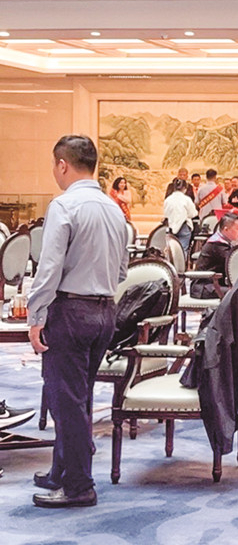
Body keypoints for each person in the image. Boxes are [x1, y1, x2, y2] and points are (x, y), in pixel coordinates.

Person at [27, 135, 128, 510]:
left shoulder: (64, 205)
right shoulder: (114, 210)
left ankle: (79, 485)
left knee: (65, 400)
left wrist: (36, 315)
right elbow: (121, 271)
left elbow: (49, 268)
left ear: (62, 164)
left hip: (70, 311)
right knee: (77, 396)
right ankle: (62, 471)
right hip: (104, 313)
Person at [194, 212, 238, 296]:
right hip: (204, 287)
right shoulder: (216, 245)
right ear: (226, 229)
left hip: (215, 284)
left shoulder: (224, 243)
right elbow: (234, 263)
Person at [162, 176, 198, 256]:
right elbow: (193, 213)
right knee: (183, 250)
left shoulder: (168, 199)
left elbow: (166, 214)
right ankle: (181, 263)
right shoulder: (186, 199)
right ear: (185, 188)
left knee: (171, 250)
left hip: (171, 226)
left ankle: (171, 263)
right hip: (184, 227)